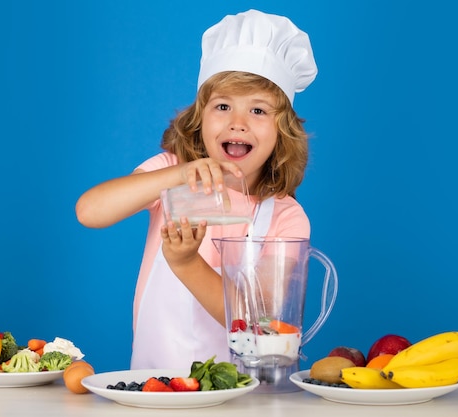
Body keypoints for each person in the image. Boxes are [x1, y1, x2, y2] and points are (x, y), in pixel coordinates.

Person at [75, 9, 318, 369]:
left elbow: (259, 324)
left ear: (283, 131)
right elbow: (90, 211)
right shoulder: (171, 173)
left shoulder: (285, 217)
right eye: (222, 106)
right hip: (154, 390)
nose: (238, 123)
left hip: (241, 399)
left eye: (258, 111)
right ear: (199, 118)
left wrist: (188, 264)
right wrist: (175, 175)